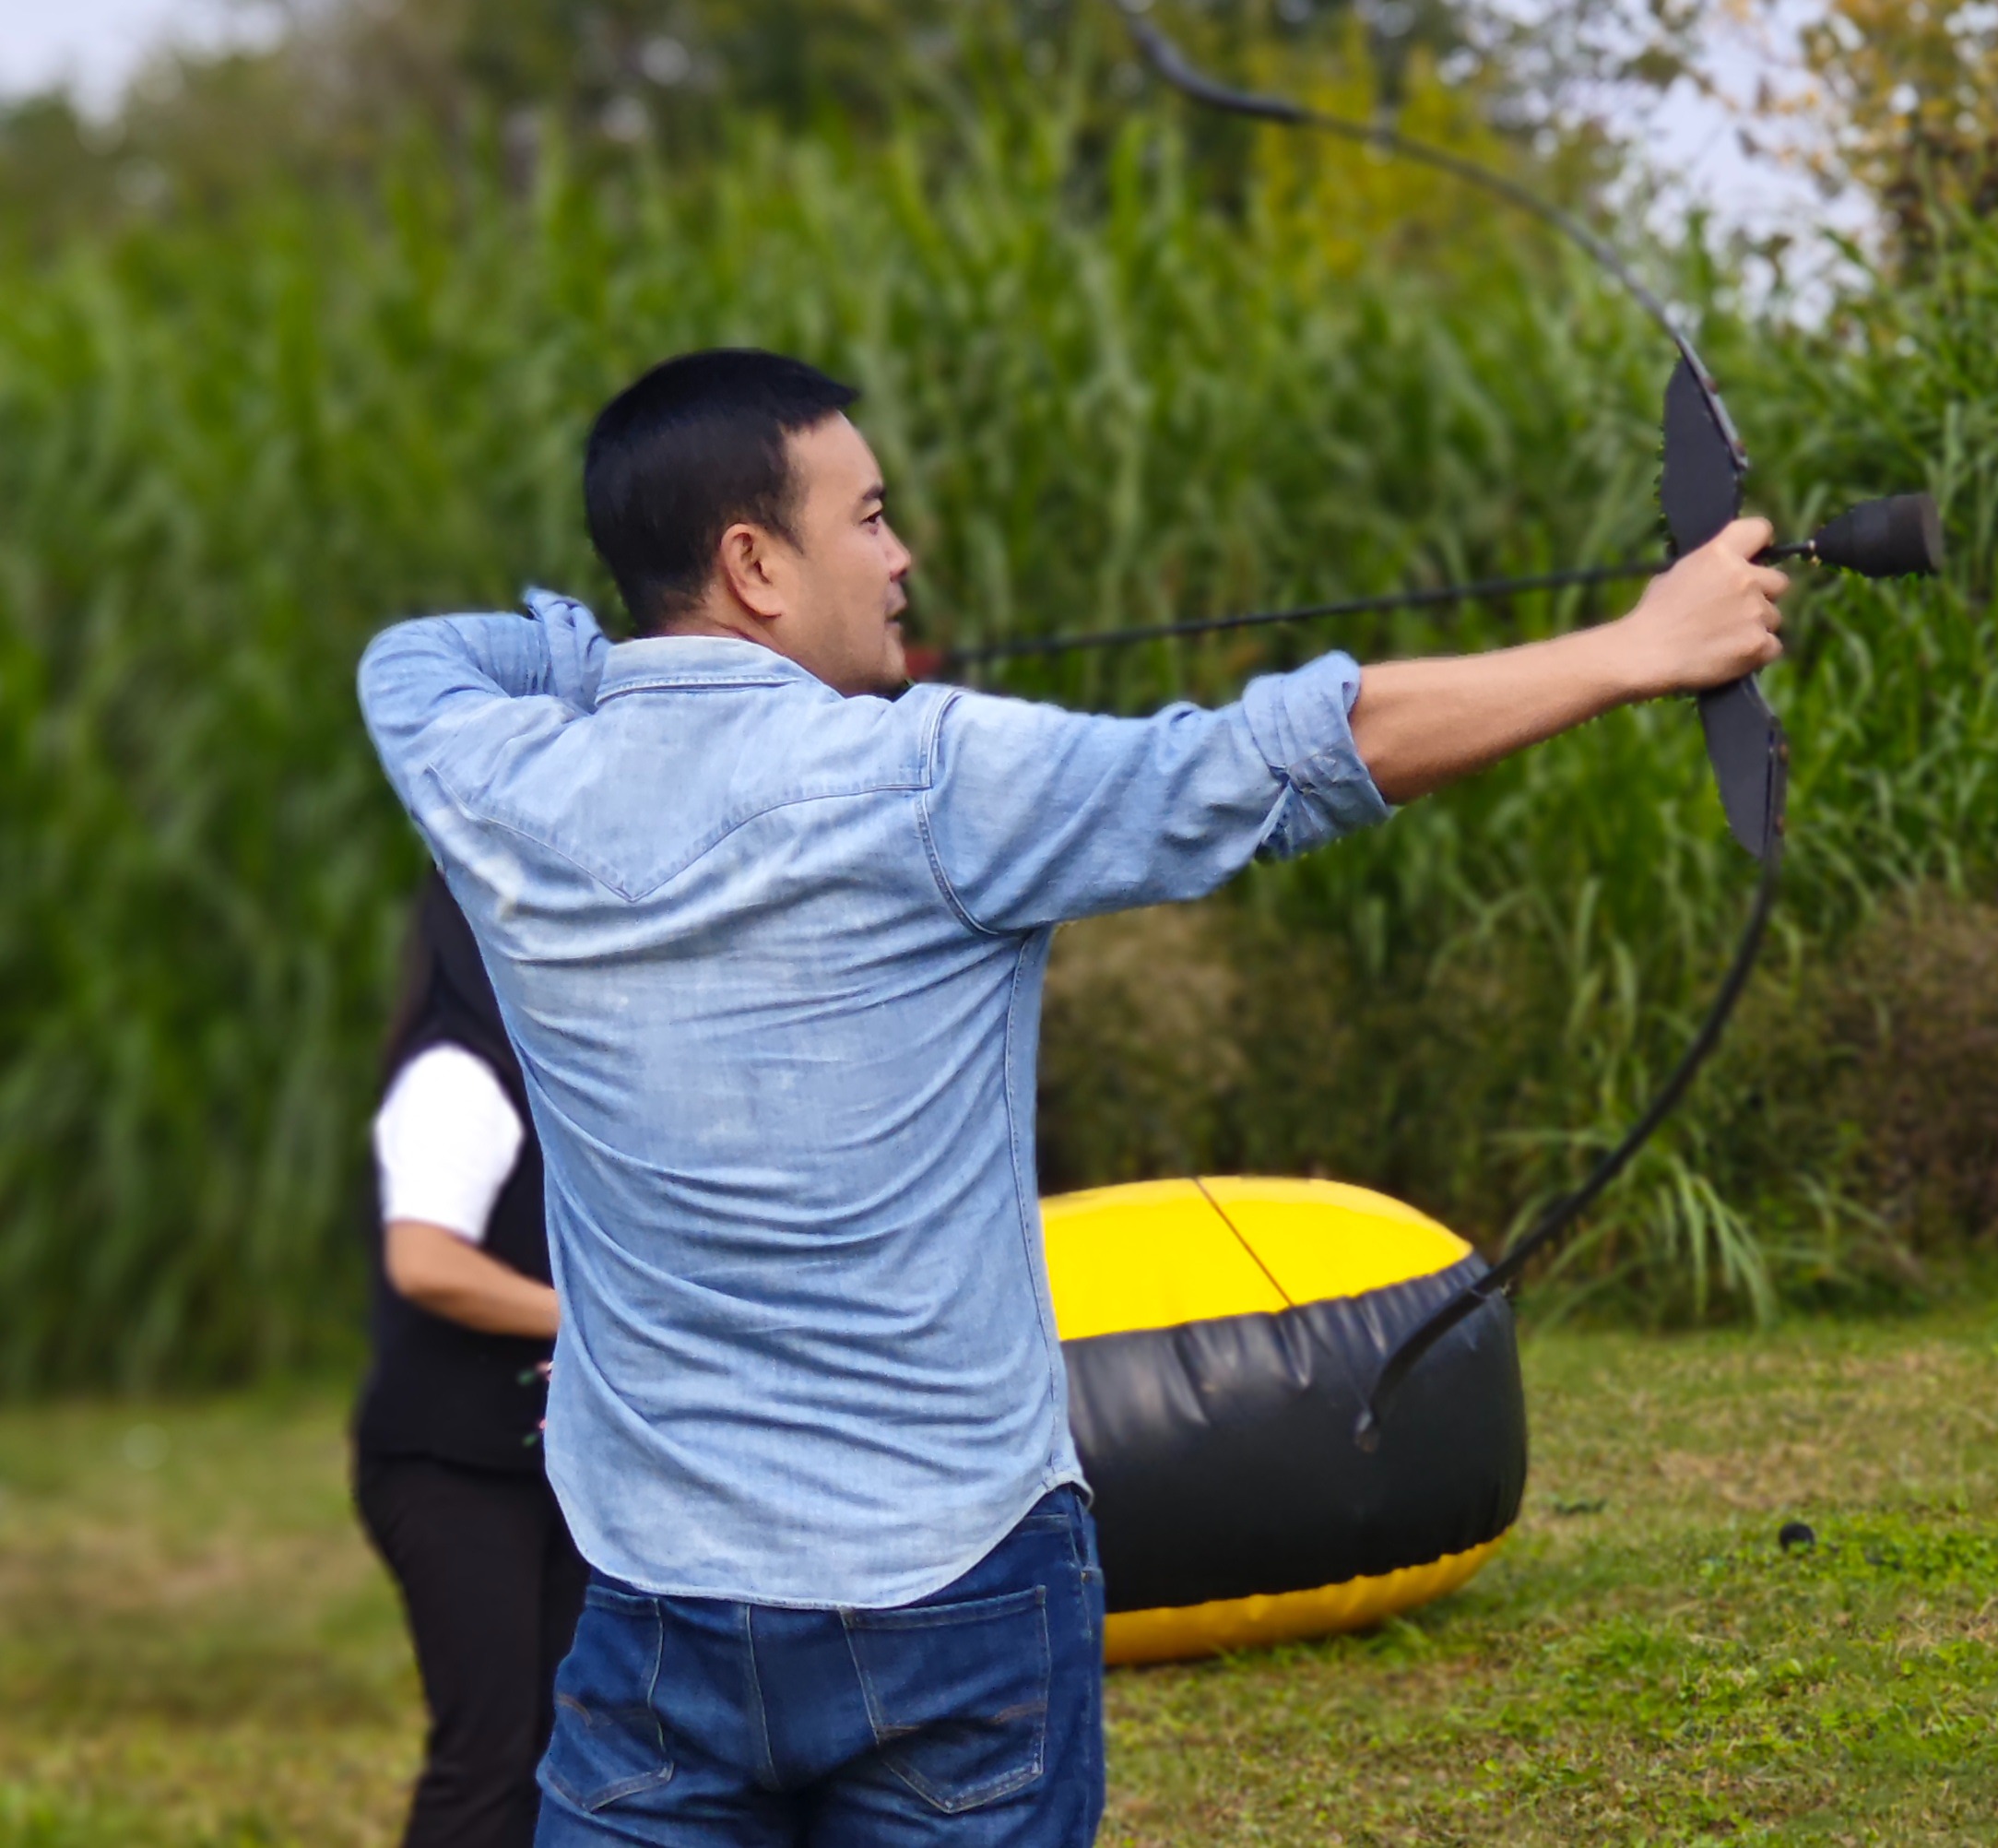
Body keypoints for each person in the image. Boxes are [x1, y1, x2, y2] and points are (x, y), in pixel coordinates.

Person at [355, 348, 1786, 1848]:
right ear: (753, 564)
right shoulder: (931, 776)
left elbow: (414, 656)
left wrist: (612, 667)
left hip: (656, 1599)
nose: (901, 557)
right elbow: (1293, 757)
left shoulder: (495, 777)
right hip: (951, 1602)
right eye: (868, 517)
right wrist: (1644, 647)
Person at [353, 871, 585, 1848]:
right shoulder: (458, 1077)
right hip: (449, 1470)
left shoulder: (554, 1082)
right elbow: (426, 1261)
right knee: (489, 1757)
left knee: (566, 1749)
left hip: (543, 1466)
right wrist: (589, 1321)